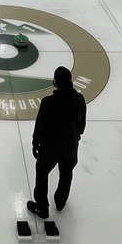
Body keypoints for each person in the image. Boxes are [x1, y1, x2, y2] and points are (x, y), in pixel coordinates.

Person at [27, 66, 86, 220]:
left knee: (42, 172)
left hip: (50, 149)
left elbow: (40, 126)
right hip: (70, 147)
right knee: (66, 174)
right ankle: (60, 202)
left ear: (56, 82)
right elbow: (82, 125)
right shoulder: (79, 100)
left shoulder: (48, 103)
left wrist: (35, 143)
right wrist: (76, 137)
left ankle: (42, 207)